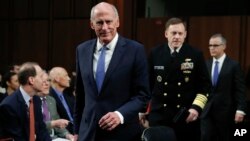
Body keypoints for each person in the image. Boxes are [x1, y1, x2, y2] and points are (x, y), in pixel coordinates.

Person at [74, 2, 151, 141]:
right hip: (88, 134)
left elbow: (143, 96)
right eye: (99, 22)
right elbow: (80, 96)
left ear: (117, 22)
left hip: (122, 133)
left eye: (108, 22)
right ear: (92, 24)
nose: (105, 27)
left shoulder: (135, 50)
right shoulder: (82, 50)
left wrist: (119, 115)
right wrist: (76, 132)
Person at [145, 17, 211, 141]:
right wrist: (143, 110)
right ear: (166, 34)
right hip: (160, 115)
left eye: (180, 33)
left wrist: (196, 108)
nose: (177, 37)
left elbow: (205, 86)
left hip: (185, 116)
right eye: (173, 33)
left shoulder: (195, 54)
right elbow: (147, 85)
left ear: (185, 34)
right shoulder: (155, 53)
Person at [200, 33, 248, 141]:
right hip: (207, 111)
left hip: (226, 113)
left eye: (215, 45)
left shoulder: (233, 65)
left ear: (224, 46)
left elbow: (240, 89)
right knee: (205, 137)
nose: (212, 48)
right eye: (210, 45)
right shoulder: (205, 64)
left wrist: (240, 110)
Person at [0, 62, 51, 141]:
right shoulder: (9, 106)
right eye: (41, 76)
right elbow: (17, 138)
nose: (45, 81)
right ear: (31, 80)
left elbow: (42, 130)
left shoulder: (36, 100)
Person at [38, 72, 74, 140]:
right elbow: (34, 126)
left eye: (48, 80)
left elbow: (58, 124)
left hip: (55, 137)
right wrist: (53, 123)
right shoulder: (31, 101)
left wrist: (67, 135)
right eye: (43, 81)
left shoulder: (51, 100)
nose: (47, 84)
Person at [49, 67, 74, 134]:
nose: (69, 78)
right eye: (66, 76)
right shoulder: (49, 97)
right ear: (57, 79)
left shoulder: (68, 95)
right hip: (63, 132)